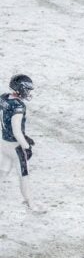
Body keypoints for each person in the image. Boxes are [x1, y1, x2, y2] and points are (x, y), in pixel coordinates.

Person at [0, 74, 43, 212]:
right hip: (15, 146)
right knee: (24, 175)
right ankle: (31, 203)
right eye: (27, 89)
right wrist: (26, 146)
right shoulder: (18, 106)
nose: (28, 93)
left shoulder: (4, 98)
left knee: (3, 171)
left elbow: (6, 123)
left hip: (3, 142)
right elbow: (16, 131)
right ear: (22, 88)